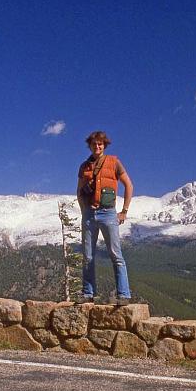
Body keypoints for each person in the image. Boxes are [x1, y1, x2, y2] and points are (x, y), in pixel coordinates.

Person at [76, 130, 133, 305]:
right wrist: (84, 211)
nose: (97, 146)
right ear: (90, 145)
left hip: (108, 213)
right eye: (94, 144)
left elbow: (129, 185)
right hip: (89, 214)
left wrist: (124, 211)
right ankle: (88, 293)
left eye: (100, 144)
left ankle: (124, 295)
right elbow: (79, 191)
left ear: (104, 145)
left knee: (116, 254)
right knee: (88, 256)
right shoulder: (84, 166)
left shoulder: (114, 162)